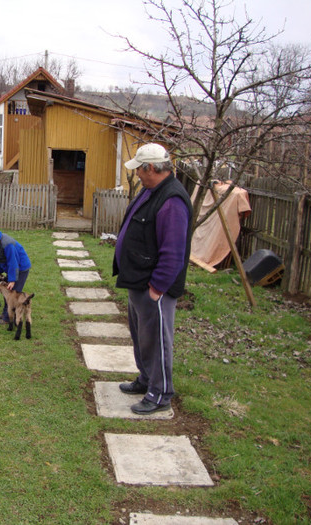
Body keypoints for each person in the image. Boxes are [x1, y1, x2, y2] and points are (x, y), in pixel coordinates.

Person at [113, 143, 192, 415]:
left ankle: (160, 394)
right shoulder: (152, 191)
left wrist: (157, 288)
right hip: (138, 281)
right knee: (142, 337)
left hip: (154, 287)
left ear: (150, 168)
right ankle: (146, 380)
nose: (137, 176)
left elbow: (173, 252)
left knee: (157, 340)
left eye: (139, 170)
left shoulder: (172, 201)